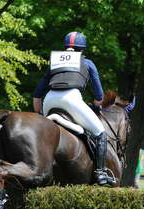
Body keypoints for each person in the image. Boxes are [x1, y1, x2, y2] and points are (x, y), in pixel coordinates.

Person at [32, 32, 113, 185]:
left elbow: (37, 95)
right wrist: (96, 106)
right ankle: (100, 173)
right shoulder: (87, 63)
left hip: (49, 100)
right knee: (101, 133)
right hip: (71, 99)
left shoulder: (54, 63)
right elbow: (99, 96)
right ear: (82, 50)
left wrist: (39, 115)